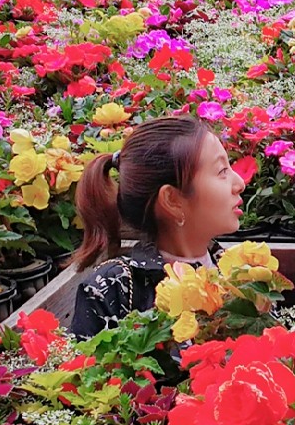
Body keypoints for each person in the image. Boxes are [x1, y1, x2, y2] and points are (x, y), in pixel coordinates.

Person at [67, 114, 248, 338]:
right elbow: (89, 369)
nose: (240, 183)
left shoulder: (240, 273)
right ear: (172, 199)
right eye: (221, 171)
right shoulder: (113, 288)